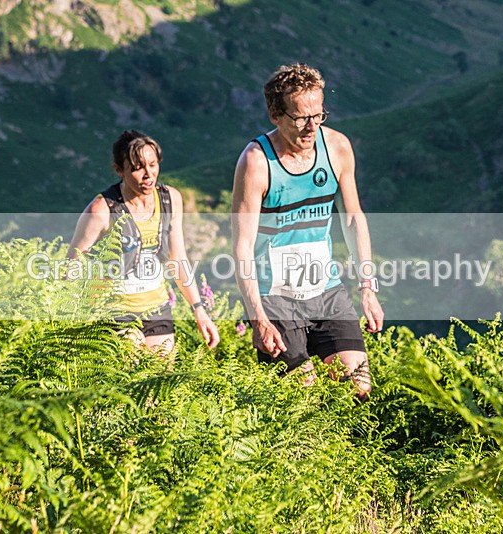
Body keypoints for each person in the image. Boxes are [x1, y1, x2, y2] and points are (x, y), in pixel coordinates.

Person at [231, 63, 383, 400]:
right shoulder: (256, 162)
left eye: (319, 115)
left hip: (325, 290)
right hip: (276, 297)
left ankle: (349, 455)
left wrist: (368, 288)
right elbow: (242, 247)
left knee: (358, 389)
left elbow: (354, 219)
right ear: (275, 114)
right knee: (300, 400)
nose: (311, 126)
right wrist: (258, 318)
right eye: (301, 118)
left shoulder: (337, 148)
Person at [68, 130, 219, 352]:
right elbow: (72, 262)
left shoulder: (171, 199)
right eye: (138, 168)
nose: (148, 174)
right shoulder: (101, 210)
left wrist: (199, 310)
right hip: (115, 312)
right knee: (131, 376)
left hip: (156, 308)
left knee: (160, 380)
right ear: (120, 170)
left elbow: (177, 259)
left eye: (153, 164)